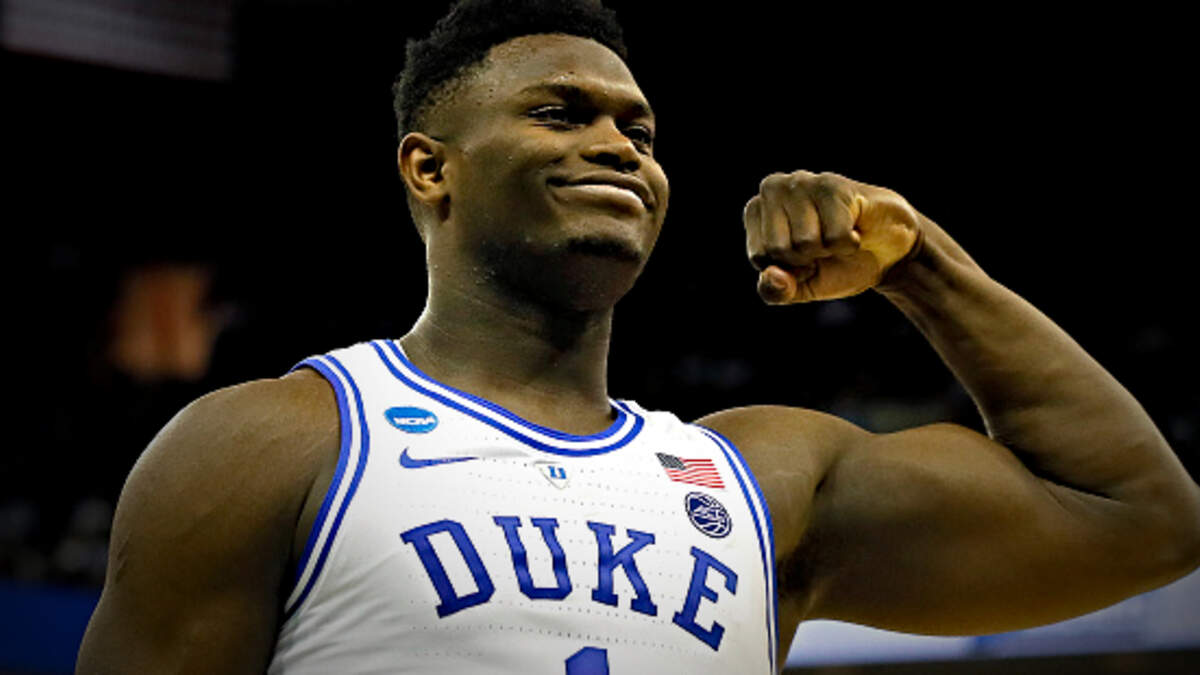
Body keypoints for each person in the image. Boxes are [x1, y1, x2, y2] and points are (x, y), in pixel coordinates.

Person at [76, 1, 1200, 673]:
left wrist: (921, 267)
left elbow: (1145, 519)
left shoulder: (763, 477)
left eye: (641, 131)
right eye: (559, 112)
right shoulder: (269, 443)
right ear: (429, 168)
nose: (620, 146)